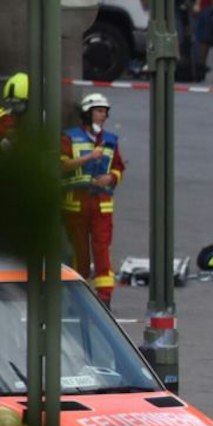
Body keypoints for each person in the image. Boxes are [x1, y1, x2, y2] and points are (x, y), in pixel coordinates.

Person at [61, 92, 125, 306]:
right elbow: (62, 165)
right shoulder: (69, 137)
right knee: (79, 252)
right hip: (76, 203)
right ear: (87, 114)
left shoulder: (110, 141)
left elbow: (118, 167)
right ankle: (78, 297)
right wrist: (88, 157)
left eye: (105, 112)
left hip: (102, 204)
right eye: (99, 111)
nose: (103, 116)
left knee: (102, 250)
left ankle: (104, 298)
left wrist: (110, 177)